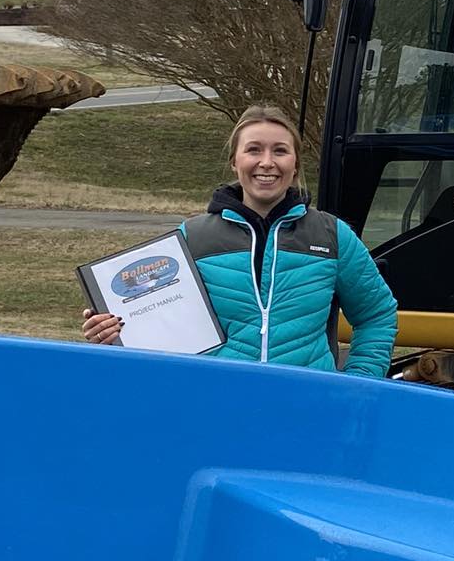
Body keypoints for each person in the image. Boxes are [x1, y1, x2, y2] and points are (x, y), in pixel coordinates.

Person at [82, 104, 397, 377]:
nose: (267, 162)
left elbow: (377, 314)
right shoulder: (194, 237)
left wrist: (359, 383)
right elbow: (154, 324)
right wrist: (111, 329)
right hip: (218, 406)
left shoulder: (331, 236)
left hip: (311, 407)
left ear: (296, 163)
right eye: (254, 149)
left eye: (280, 151)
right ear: (235, 160)